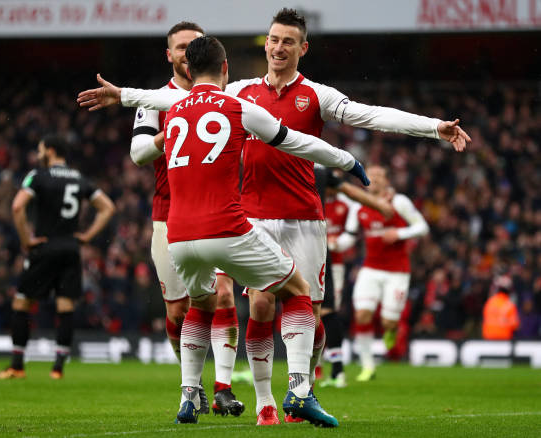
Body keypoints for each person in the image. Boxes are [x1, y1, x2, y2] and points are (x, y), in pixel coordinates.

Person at [77, 8, 470, 424]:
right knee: (262, 307)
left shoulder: (317, 95)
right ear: (264, 44)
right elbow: (178, 98)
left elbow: (371, 115)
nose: (278, 47)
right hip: (253, 217)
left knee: (312, 319)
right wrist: (124, 95)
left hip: (304, 217)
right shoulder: (241, 92)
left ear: (303, 47)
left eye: (288, 41)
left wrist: (433, 127)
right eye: (273, 39)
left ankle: (302, 388)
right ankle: (266, 401)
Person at [164, 36, 368, 426]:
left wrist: (124, 97)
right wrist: (346, 160)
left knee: (201, 304)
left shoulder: (174, 112)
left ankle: (189, 394)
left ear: (187, 71)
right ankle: (300, 390)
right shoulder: (238, 106)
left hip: (180, 235)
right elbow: (294, 141)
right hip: (226, 227)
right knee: (296, 292)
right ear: (226, 69)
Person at [129, 21, 242, 416]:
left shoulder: (225, 95)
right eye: (179, 47)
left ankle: (224, 385)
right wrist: (174, 128)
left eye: (193, 46)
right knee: (180, 311)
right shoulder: (157, 99)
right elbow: (139, 153)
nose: (186, 52)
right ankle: (190, 383)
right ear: (170, 55)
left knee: (223, 294)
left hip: (220, 211)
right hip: (170, 215)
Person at [0, 135, 115, 380]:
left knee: (22, 302)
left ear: (51, 150)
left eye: (40, 149)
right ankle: (57, 369)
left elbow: (17, 207)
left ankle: (17, 366)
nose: (38, 154)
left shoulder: (38, 176)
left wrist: (26, 239)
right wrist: (87, 236)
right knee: (66, 306)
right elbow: (108, 207)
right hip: (71, 248)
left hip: (45, 246)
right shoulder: (79, 178)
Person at [333, 165, 429, 382]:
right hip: (370, 268)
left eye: (379, 176)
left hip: (397, 272)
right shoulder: (359, 204)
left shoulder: (399, 201)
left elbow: (422, 227)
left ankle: (391, 329)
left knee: (388, 322)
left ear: (387, 180)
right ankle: (368, 366)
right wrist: (333, 244)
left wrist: (400, 233)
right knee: (362, 315)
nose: (374, 179)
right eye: (371, 176)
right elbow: (349, 236)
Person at [319, 169, 393, 389]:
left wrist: (336, 244)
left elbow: (350, 235)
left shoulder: (347, 203)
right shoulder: (314, 195)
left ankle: (334, 368)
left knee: (327, 311)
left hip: (336, 264)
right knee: (312, 312)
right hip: (312, 258)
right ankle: (320, 366)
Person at [482, 275, 520, 340]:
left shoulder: (490, 302)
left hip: (488, 337)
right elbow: (515, 324)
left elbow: (485, 318)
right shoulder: (509, 305)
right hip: (503, 338)